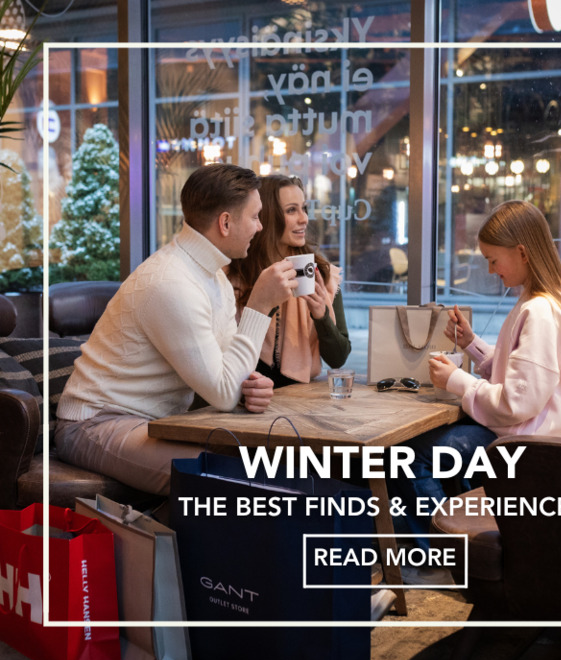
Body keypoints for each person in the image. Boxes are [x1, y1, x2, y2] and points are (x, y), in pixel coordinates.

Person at [55, 164, 298, 495]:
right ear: (225, 223)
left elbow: (229, 377)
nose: (260, 227)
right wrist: (258, 307)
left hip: (154, 422)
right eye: (255, 216)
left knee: (275, 461)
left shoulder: (214, 279)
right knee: (232, 479)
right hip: (94, 424)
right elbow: (223, 394)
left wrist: (248, 386)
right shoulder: (170, 283)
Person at [392, 200, 561, 581]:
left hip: (530, 444)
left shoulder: (539, 310)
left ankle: (446, 560)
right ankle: (463, 548)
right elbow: (523, 377)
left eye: (493, 260)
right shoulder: (548, 301)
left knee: (410, 457)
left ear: (521, 252)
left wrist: (456, 381)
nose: (490, 270)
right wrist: (472, 344)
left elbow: (517, 402)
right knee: (434, 448)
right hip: (538, 437)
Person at [227, 174, 351, 387]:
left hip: (301, 398)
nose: (303, 219)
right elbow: (230, 356)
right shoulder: (236, 274)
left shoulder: (321, 272)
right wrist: (266, 299)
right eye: (291, 210)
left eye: (304, 208)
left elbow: (338, 358)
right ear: (265, 216)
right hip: (246, 395)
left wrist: (321, 316)